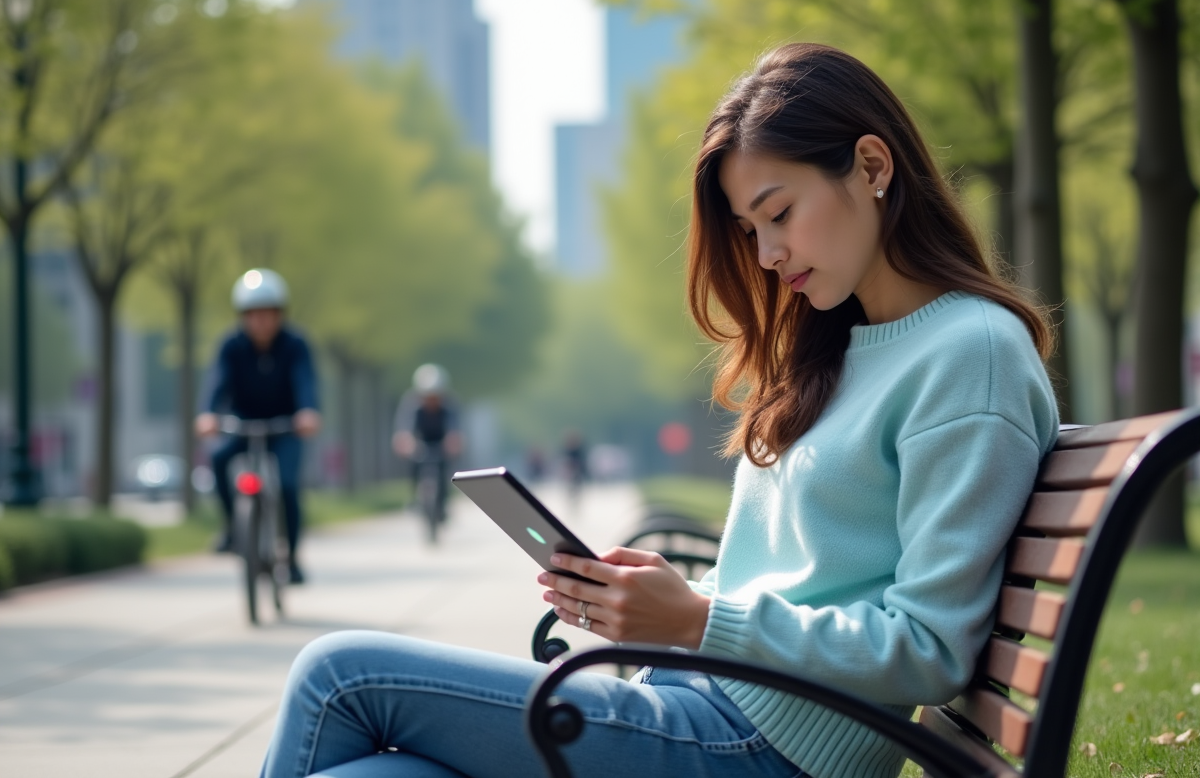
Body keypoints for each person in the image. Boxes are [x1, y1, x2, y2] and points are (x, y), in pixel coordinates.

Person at [257, 44, 1059, 778]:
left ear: (872, 165)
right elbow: (799, 578)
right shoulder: (841, 348)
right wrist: (666, 599)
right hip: (706, 706)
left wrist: (700, 620)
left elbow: (930, 648)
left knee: (337, 676)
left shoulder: (969, 354)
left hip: (757, 747)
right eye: (750, 230)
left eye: (779, 214)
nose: (768, 255)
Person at [196, 269, 321, 585]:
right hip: (242, 423)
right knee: (219, 458)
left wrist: (308, 412)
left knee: (289, 485)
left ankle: (291, 559)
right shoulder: (231, 345)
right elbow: (217, 383)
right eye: (253, 315)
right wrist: (208, 414)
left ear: (280, 314)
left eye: (268, 314)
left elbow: (305, 381)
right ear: (243, 316)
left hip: (286, 427)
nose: (261, 322)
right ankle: (233, 528)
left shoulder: (295, 345)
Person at [392, 364, 463, 524]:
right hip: (421, 442)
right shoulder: (411, 404)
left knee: (446, 468)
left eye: (435, 396)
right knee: (414, 464)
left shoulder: (450, 405)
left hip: (441, 442)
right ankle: (414, 498)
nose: (431, 400)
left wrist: (453, 441)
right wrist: (405, 441)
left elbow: (454, 428)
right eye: (427, 396)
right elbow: (405, 427)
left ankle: (444, 503)